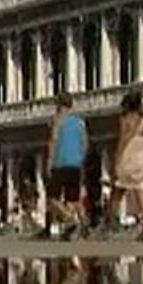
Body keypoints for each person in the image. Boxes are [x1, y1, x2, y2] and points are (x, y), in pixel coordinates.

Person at [110, 91, 143, 241]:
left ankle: (112, 222)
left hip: (128, 157)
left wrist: (116, 159)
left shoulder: (125, 119)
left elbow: (123, 138)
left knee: (117, 192)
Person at [47, 92, 88, 239]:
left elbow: (53, 141)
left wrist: (49, 162)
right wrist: (80, 159)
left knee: (52, 198)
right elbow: (84, 144)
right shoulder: (79, 122)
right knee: (73, 199)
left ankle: (69, 219)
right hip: (75, 165)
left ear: (58, 104)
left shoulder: (57, 120)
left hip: (60, 163)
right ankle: (83, 225)